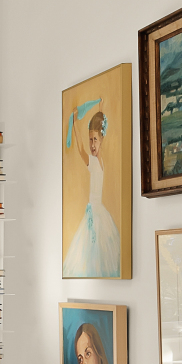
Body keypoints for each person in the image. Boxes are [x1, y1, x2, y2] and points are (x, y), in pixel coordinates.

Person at [64, 103, 123, 277]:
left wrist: (75, 123)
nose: (91, 144)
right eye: (90, 139)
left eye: (95, 140)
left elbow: (80, 149)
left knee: (94, 255)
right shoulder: (100, 161)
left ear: (102, 140)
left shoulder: (96, 162)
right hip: (94, 212)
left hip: (97, 215)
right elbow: (90, 143)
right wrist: (101, 110)